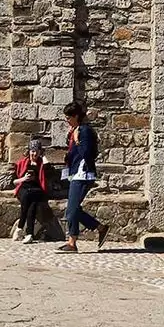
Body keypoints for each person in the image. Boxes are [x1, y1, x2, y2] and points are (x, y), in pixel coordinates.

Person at [59, 101, 108, 252]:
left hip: (84, 174)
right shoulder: (76, 130)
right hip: (75, 173)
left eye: (68, 117)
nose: (66, 120)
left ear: (76, 116)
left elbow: (88, 154)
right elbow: (75, 154)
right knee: (73, 210)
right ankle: (100, 228)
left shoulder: (85, 131)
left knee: (71, 210)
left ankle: (72, 242)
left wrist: (77, 140)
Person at [12, 138, 51, 244]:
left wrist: (43, 157)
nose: (34, 154)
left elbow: (49, 171)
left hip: (37, 189)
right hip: (24, 187)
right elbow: (14, 182)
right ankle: (28, 233)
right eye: (33, 151)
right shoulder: (22, 163)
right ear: (29, 151)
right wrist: (24, 179)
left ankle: (22, 230)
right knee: (29, 200)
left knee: (32, 202)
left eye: (37, 151)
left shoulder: (42, 163)